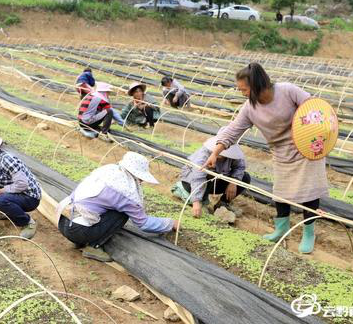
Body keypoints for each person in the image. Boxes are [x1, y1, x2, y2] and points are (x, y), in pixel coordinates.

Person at [204, 63, 328, 254]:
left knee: (309, 192)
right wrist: (215, 152)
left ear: (256, 84)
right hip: (280, 151)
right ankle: (281, 229)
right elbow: (233, 130)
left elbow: (313, 108)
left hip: (306, 148)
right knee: (281, 191)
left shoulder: (287, 91)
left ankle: (308, 233)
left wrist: (317, 134)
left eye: (244, 89)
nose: (242, 93)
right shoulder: (250, 107)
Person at [56, 152, 179, 262]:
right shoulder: (127, 192)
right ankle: (93, 247)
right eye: (141, 177)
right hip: (77, 231)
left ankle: (79, 241)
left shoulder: (108, 171)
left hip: (63, 220)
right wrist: (169, 223)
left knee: (102, 208)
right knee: (121, 214)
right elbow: (144, 223)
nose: (142, 181)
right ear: (136, 174)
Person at [175, 132, 251, 218]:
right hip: (191, 182)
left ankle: (222, 204)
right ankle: (202, 201)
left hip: (215, 182)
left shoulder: (233, 156)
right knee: (210, 174)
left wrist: (233, 181)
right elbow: (198, 177)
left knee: (245, 177)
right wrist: (196, 201)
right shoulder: (204, 153)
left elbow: (240, 167)